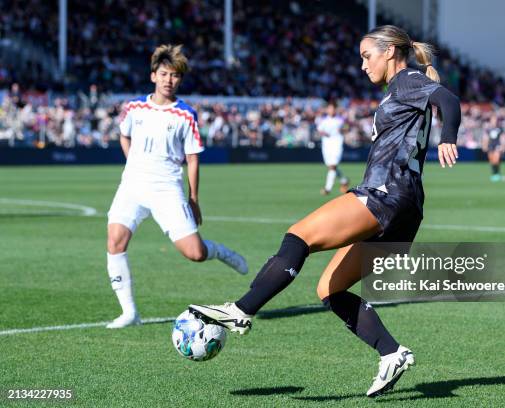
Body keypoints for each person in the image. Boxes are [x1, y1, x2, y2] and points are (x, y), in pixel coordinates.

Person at [189, 25, 461, 397]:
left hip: (386, 194)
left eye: (367, 56)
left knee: (298, 236)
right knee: (330, 288)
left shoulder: (406, 80)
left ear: (391, 52)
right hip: (408, 207)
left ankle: (241, 310)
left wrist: (449, 138)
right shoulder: (401, 87)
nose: (362, 65)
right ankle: (392, 352)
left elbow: (449, 101)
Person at [106, 45, 248, 329]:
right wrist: (133, 163)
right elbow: (124, 137)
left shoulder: (185, 114)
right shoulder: (133, 108)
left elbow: (192, 159)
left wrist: (194, 198)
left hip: (166, 188)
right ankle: (129, 313)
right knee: (115, 243)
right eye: (164, 74)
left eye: (174, 76)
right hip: (132, 186)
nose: (169, 80)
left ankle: (219, 251)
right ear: (153, 76)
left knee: (194, 253)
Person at [316, 102, 350, 194]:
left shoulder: (340, 120)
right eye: (330, 108)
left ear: (335, 109)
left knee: (332, 166)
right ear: (327, 110)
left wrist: (342, 130)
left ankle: (327, 189)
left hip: (337, 144)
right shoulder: (323, 120)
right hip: (326, 145)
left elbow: (347, 128)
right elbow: (319, 130)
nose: (331, 110)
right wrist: (323, 133)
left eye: (333, 108)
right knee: (331, 166)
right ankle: (344, 180)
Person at [481, 115, 505, 182]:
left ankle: (497, 173)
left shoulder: (500, 129)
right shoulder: (488, 129)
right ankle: (494, 173)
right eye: (493, 120)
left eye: (495, 120)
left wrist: (503, 146)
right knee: (491, 160)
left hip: (497, 146)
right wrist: (484, 145)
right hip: (490, 146)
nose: (494, 122)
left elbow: (503, 138)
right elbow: (485, 138)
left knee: (496, 159)